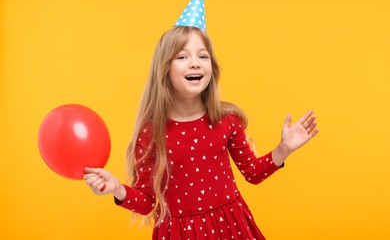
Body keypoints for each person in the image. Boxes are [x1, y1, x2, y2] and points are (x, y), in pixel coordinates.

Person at [84, 25, 319, 239]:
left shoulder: (227, 119)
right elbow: (146, 203)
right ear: (164, 69)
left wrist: (283, 149)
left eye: (202, 56)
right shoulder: (151, 132)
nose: (195, 63)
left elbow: (252, 173)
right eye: (183, 56)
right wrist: (117, 188)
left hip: (230, 227)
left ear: (212, 68)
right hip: (179, 233)